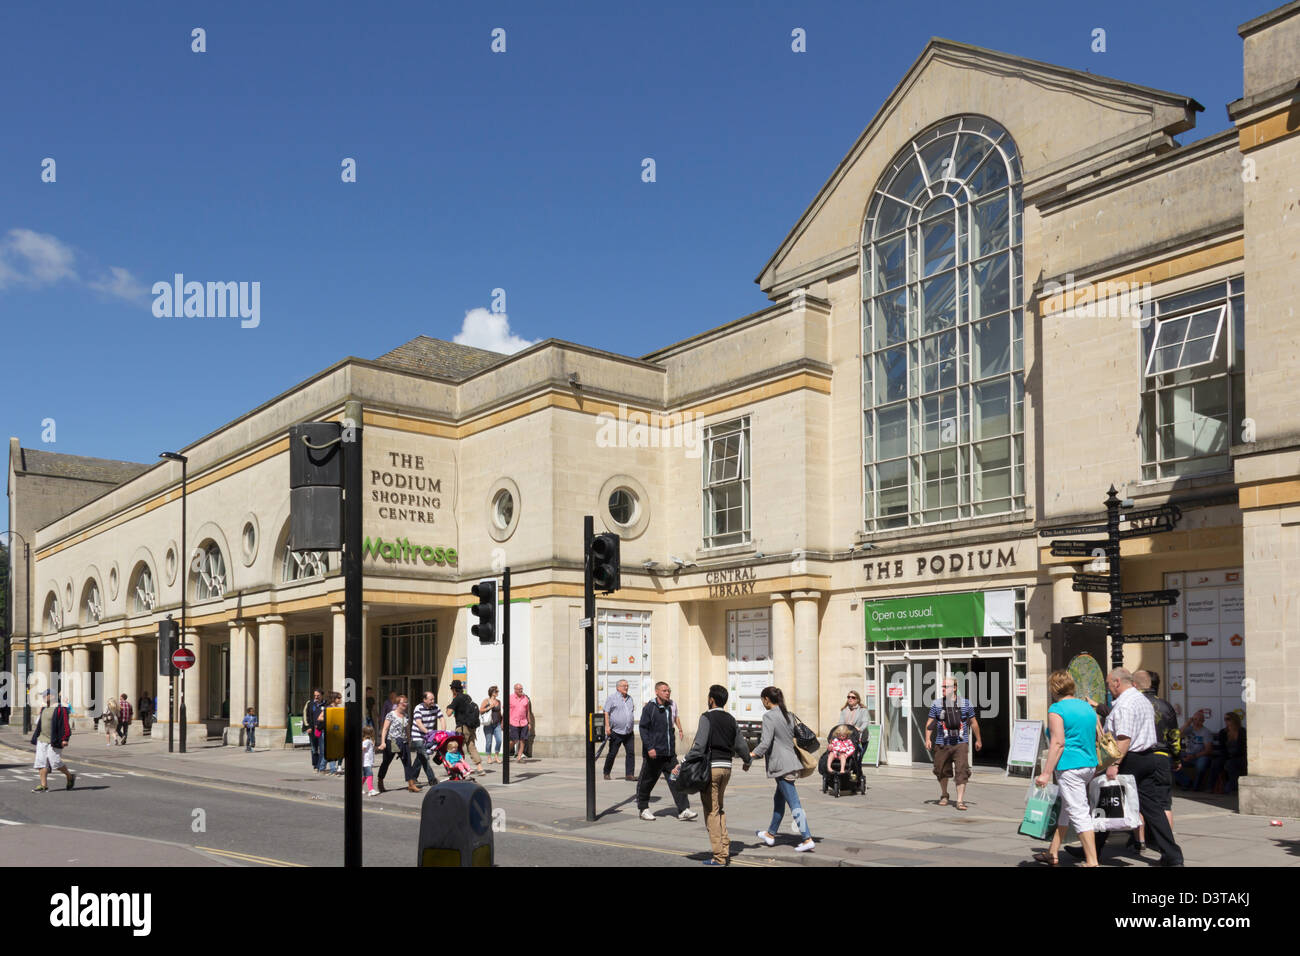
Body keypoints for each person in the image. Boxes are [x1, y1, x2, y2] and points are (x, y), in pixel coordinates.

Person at [1078, 668, 1184, 866]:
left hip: (1130, 758)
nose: (1109, 689)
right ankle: (1173, 855)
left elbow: (1124, 738)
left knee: (1107, 802)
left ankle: (1091, 850)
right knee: (1152, 807)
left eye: (1109, 684)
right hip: (1148, 757)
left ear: (1117, 682)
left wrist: (1114, 764)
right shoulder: (1141, 700)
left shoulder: (1125, 705)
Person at [1033, 670, 1099, 867]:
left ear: (1054, 689)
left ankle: (1092, 862)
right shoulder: (1087, 707)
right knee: (1066, 809)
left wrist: (1045, 773)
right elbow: (1099, 733)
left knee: (1079, 812)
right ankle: (1053, 852)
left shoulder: (1057, 709)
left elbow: (1058, 743)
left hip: (1069, 766)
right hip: (1089, 764)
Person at [683, 684, 751, 865]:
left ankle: (719, 856)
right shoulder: (730, 719)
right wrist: (747, 760)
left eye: (708, 696)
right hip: (726, 769)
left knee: (711, 812)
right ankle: (724, 848)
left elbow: (699, 745)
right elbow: (741, 744)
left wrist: (684, 762)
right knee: (719, 808)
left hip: (711, 769)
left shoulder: (706, 717)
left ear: (711, 699)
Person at [751, 686, 814, 852]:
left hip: (781, 765)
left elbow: (765, 743)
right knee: (779, 800)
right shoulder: (789, 715)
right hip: (791, 762)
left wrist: (751, 755)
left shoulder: (769, 716)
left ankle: (807, 838)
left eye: (762, 700)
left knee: (794, 803)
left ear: (766, 699)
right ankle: (771, 834)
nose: (762, 703)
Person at [635, 681, 697, 822]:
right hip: (654, 754)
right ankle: (643, 809)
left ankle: (683, 810)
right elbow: (643, 729)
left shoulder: (670, 706)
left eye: (669, 690)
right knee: (647, 781)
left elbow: (670, 729)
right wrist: (650, 747)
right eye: (664, 690)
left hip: (669, 755)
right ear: (657, 692)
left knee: (677, 780)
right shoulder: (650, 708)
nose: (667, 693)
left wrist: (674, 749)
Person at [924, 675, 982, 810]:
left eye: (946, 686)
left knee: (962, 770)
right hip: (941, 742)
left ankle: (960, 801)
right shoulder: (936, 704)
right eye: (942, 686)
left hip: (961, 742)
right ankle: (944, 794)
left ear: (955, 688)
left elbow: (973, 723)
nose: (943, 689)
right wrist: (927, 739)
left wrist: (978, 739)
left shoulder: (966, 703)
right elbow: (930, 723)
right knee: (941, 770)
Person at [31, 690, 75, 792]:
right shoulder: (44, 708)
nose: (43, 697)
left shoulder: (61, 709)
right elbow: (38, 723)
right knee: (41, 763)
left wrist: (65, 738)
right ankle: (43, 785)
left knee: (55, 762)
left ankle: (69, 776)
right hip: (42, 739)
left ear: (52, 696)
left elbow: (65, 725)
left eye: (45, 696)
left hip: (54, 741)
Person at [377, 695, 419, 793]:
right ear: (398, 704)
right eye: (404, 702)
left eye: (406, 702)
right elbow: (385, 729)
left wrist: (409, 740)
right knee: (386, 762)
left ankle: (411, 784)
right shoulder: (391, 714)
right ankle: (380, 781)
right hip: (392, 741)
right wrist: (383, 742)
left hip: (403, 741)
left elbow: (407, 729)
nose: (406, 704)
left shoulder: (406, 715)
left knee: (407, 763)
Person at [602, 679, 638, 781]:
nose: (626, 687)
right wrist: (607, 726)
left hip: (628, 732)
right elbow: (606, 712)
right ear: (618, 687)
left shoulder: (630, 699)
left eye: (627, 686)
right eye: (623, 686)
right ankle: (606, 772)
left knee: (631, 753)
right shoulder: (612, 698)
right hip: (616, 732)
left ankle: (629, 774)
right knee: (612, 753)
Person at [447, 680, 485, 774]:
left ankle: (459, 767)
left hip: (462, 727)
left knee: (456, 747)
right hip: (472, 726)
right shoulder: (467, 697)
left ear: (454, 689)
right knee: (471, 746)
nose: (451, 690)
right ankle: (480, 768)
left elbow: (449, 713)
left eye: (452, 688)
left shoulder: (457, 699)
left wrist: (448, 707)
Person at [410, 691, 443, 787]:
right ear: (424, 700)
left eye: (433, 699)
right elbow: (419, 723)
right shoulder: (418, 708)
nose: (433, 701)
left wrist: (443, 732)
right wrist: (428, 733)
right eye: (430, 699)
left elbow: (442, 718)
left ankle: (412, 777)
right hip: (418, 736)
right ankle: (432, 779)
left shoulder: (436, 707)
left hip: (428, 736)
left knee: (420, 757)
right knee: (424, 756)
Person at [1175, 710, 1214, 790]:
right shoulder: (1189, 729)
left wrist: (1193, 756)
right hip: (1187, 754)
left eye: (1199, 720)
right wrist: (1187, 724)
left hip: (1200, 755)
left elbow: (1208, 750)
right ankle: (1187, 782)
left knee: (1201, 765)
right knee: (1171, 761)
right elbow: (1176, 735)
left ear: (1203, 721)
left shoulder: (1206, 732)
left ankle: (1196, 786)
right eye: (1195, 719)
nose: (1196, 722)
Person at [1209, 712, 1246, 794]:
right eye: (1225, 719)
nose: (1226, 721)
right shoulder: (1223, 732)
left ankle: (1234, 788)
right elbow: (1222, 748)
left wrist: (1232, 756)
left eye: (1228, 719)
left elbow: (1243, 748)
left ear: (1234, 720)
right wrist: (1227, 756)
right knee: (1216, 763)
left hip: (1240, 756)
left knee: (1230, 764)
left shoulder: (1242, 731)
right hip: (1227, 756)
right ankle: (1211, 786)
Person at [304, 689, 326, 773]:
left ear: (322, 695)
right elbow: (306, 716)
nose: (316, 697)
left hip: (322, 730)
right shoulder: (310, 703)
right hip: (312, 730)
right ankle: (315, 766)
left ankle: (320, 766)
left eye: (318, 695)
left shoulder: (325, 704)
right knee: (314, 749)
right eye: (315, 695)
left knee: (322, 749)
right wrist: (308, 727)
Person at [480, 686, 503, 763]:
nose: (497, 693)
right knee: (489, 742)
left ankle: (496, 756)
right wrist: (490, 707)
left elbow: (499, 712)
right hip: (488, 724)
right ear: (492, 692)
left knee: (499, 740)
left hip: (497, 724)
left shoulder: (499, 701)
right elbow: (481, 711)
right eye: (496, 691)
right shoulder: (486, 701)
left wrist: (502, 722)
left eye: (498, 691)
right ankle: (489, 757)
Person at [509, 684, 531, 761]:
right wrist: (503, 722)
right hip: (513, 722)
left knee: (522, 740)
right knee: (514, 740)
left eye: (521, 688)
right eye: (519, 689)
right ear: (515, 689)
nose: (521, 690)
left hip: (523, 722)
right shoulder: (510, 698)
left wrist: (529, 723)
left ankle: (519, 757)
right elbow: (506, 711)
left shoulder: (525, 698)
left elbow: (527, 711)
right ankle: (506, 752)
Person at [362, 725, 378, 795]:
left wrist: (378, 747)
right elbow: (363, 748)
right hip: (366, 761)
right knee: (370, 775)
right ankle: (371, 790)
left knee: (365, 776)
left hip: (368, 761)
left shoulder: (370, 741)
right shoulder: (367, 741)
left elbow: (371, 750)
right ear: (371, 733)